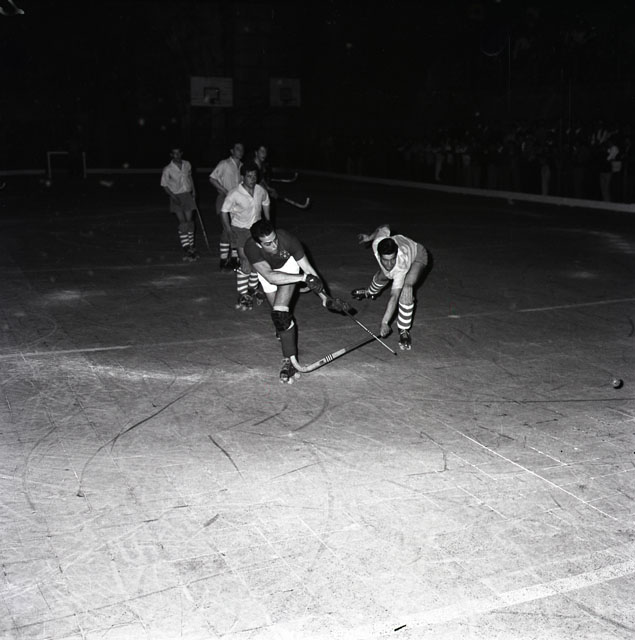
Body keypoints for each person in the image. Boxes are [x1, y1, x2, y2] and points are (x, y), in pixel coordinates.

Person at [244, 219, 335, 384]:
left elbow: (309, 270)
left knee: (280, 314)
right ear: (258, 244)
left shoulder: (288, 240)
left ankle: (290, 361)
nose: (274, 245)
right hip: (268, 273)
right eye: (268, 244)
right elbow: (270, 277)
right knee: (279, 318)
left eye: (275, 240)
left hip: (288, 267)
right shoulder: (251, 247)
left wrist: (325, 298)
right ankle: (284, 331)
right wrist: (303, 278)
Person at [352, 224, 429, 350]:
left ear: (396, 254)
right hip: (404, 247)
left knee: (406, 289)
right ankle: (370, 292)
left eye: (392, 259)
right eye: (385, 260)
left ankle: (404, 330)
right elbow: (384, 227)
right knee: (382, 276)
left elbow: (394, 297)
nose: (389, 264)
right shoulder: (377, 242)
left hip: (417, 255)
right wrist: (370, 237)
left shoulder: (400, 266)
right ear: (378, 254)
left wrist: (384, 322)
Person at [221, 162, 271, 311]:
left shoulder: (260, 190)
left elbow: (266, 202)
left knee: (257, 262)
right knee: (244, 260)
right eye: (249, 176)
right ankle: (242, 294)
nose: (252, 179)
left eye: (254, 176)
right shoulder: (234, 193)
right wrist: (228, 229)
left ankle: (251, 290)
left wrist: (268, 222)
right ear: (242, 177)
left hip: (256, 231)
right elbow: (224, 211)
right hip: (240, 230)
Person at [160, 147, 200, 262]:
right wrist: (173, 197)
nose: (177, 155)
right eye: (174, 153)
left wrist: (194, 191)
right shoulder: (168, 169)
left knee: (190, 222)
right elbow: (164, 185)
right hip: (176, 196)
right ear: (171, 155)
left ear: (181, 153)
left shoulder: (187, 164)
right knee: (182, 223)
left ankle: (192, 246)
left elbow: (190, 177)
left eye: (178, 153)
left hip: (187, 194)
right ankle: (187, 248)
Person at [209, 141, 244, 270]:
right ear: (232, 151)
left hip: (238, 202)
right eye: (237, 148)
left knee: (236, 228)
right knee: (226, 229)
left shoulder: (242, 166)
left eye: (242, 149)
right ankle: (223, 259)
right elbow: (212, 178)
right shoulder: (224, 163)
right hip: (225, 199)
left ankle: (234, 258)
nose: (240, 151)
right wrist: (223, 190)